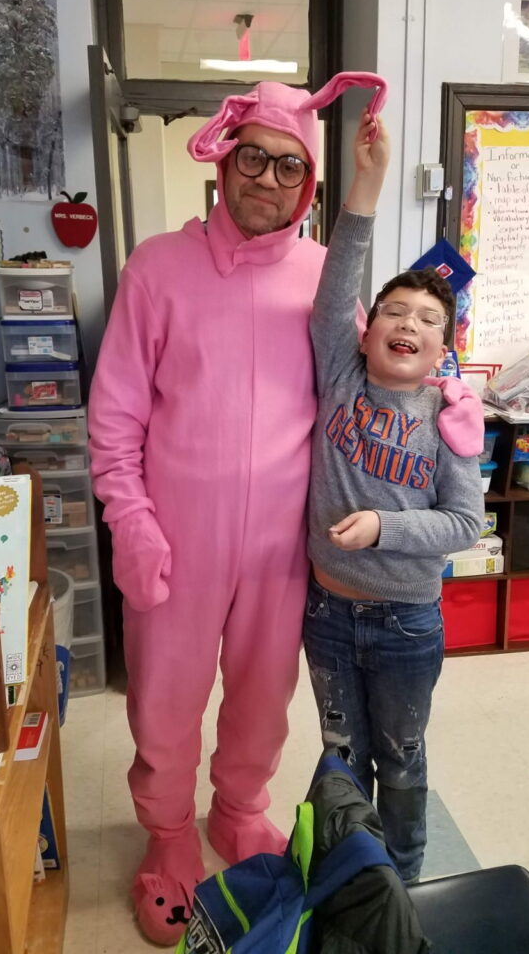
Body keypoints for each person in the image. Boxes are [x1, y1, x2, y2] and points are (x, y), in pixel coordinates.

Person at [87, 72, 388, 945]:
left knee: (264, 695)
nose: (267, 179)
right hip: (176, 541)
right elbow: (114, 415)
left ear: (311, 184)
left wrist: (434, 403)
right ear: (224, 161)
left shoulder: (323, 277)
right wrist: (130, 521)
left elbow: (363, 387)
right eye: (254, 157)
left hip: (281, 546)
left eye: (290, 166)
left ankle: (238, 809)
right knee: (166, 699)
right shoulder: (157, 268)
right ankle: (168, 833)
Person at [303, 110, 485, 884]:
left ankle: (402, 886)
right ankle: (351, 878)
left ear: (443, 349)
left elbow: (465, 524)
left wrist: (384, 526)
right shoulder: (340, 373)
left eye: (428, 320)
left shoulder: (449, 419)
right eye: (395, 311)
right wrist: (367, 185)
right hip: (326, 611)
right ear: (367, 327)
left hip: (407, 623)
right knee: (342, 758)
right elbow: (334, 286)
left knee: (402, 761)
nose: (408, 322)